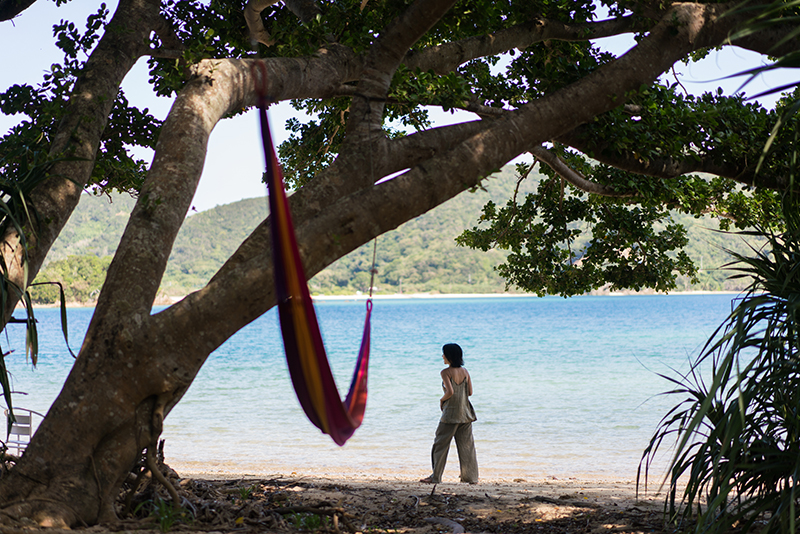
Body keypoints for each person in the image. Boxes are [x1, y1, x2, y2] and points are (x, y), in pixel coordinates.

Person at [420, 343, 479, 484]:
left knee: (440, 444)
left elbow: (450, 392)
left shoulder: (445, 372)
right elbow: (470, 392)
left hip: (451, 414)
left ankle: (436, 477)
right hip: (466, 413)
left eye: (444, 354)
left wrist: (441, 400)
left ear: (449, 356)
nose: (442, 356)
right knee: (467, 446)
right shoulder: (465, 371)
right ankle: (471, 478)